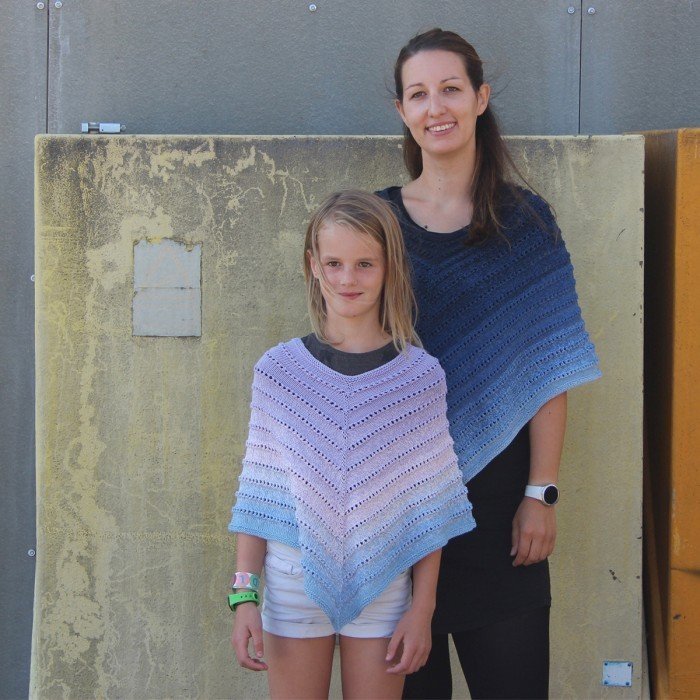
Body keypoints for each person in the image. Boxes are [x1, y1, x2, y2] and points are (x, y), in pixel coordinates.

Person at [376, 29, 601, 700]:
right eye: (419, 94)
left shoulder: (524, 222)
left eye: (450, 89)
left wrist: (541, 494)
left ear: (480, 98)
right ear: (402, 111)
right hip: (399, 506)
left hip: (501, 512)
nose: (436, 107)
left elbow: (550, 373)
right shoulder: (377, 221)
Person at [227, 190, 476, 699]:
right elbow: (258, 497)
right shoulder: (278, 372)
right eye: (334, 263)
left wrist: (423, 609)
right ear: (313, 266)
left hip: (384, 587)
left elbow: (430, 509)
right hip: (292, 585)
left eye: (365, 264)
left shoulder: (419, 377)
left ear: (389, 268)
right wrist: (244, 597)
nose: (347, 279)